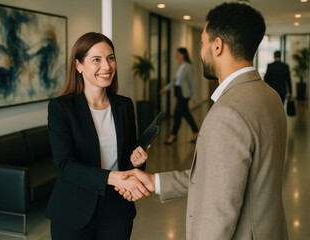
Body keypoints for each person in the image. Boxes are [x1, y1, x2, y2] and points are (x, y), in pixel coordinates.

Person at [117, 2, 289, 239]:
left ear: (217, 46)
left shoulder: (228, 113)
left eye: (202, 42)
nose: (201, 50)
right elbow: (219, 177)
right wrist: (155, 182)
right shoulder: (271, 96)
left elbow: (218, 211)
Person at [44, 32, 151, 240]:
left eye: (111, 58)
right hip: (73, 209)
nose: (107, 66)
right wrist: (113, 177)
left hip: (117, 209)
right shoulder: (61, 108)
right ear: (79, 66)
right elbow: (64, 165)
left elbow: (128, 161)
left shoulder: (124, 106)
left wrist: (137, 162)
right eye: (96, 60)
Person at [160, 48, 199, 144]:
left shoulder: (188, 67)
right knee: (186, 114)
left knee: (177, 113)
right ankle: (196, 132)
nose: (177, 56)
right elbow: (175, 81)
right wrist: (166, 88)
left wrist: (194, 96)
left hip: (184, 94)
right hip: (178, 92)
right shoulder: (179, 66)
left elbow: (190, 82)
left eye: (178, 54)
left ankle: (173, 135)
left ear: (183, 55)